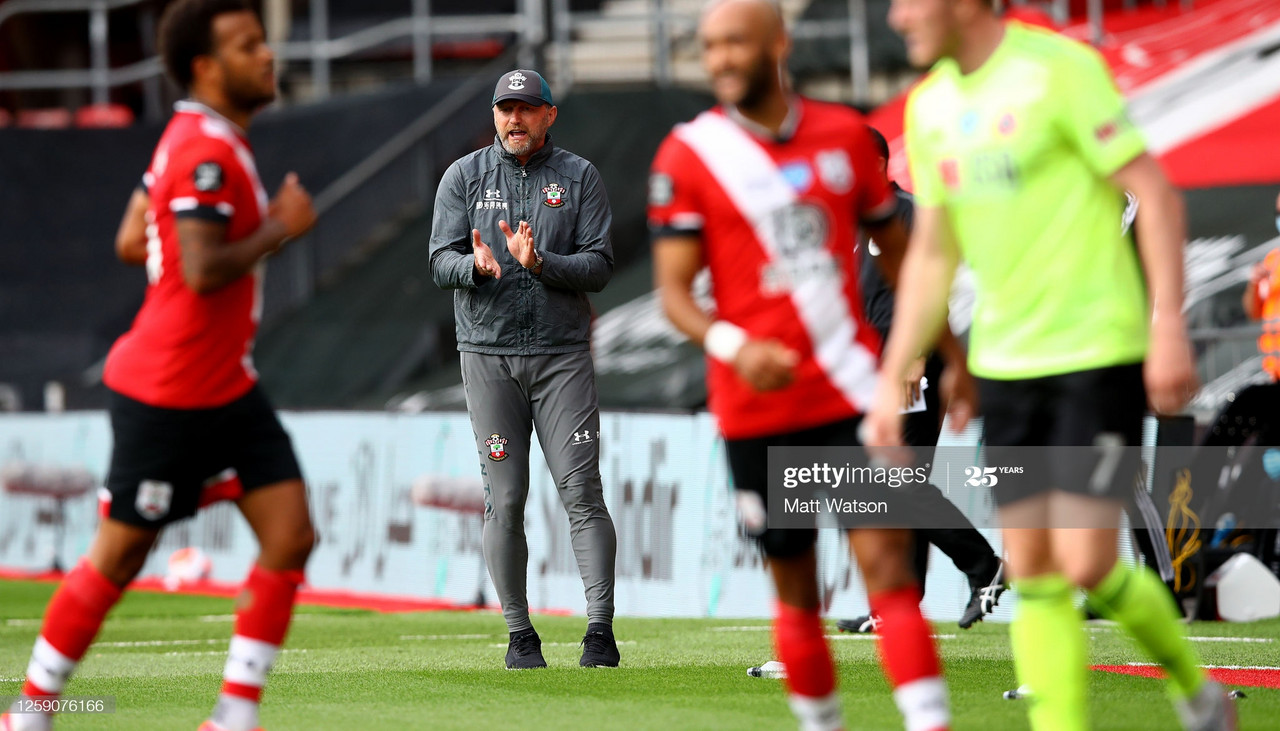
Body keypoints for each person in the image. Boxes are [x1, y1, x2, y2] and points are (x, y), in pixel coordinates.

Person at [867, 1, 1233, 729]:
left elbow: (1154, 195)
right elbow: (935, 250)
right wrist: (901, 363)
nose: (896, 14)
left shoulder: (1059, 72)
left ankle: (1198, 690)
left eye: (911, 0)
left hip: (1095, 352)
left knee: (1089, 564)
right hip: (1006, 365)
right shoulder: (932, 106)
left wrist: (1167, 329)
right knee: (1032, 570)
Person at [2, 2, 317, 731]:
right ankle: (29, 712)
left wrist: (171, 245)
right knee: (118, 556)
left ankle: (233, 717)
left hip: (224, 382)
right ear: (206, 67)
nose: (266, 55)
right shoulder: (205, 150)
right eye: (246, 45)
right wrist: (279, 227)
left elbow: (128, 238)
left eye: (262, 40)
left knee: (290, 531)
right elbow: (203, 270)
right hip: (172, 391)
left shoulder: (197, 140)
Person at [651, 2, 958, 729]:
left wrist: (942, 348)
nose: (721, 57)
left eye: (736, 43)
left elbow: (901, 253)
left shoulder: (844, 140)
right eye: (710, 45)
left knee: (886, 569)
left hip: (848, 391)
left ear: (779, 44)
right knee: (795, 586)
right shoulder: (687, 155)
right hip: (752, 403)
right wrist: (734, 346)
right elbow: (672, 294)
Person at [429, 68, 619, 669]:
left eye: (527, 108)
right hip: (487, 357)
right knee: (505, 500)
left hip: (562, 357)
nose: (515, 119)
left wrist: (541, 263)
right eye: (505, 109)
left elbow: (600, 266)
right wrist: (475, 268)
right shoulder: (463, 176)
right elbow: (439, 258)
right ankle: (519, 634)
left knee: (582, 490)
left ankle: (598, 632)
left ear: (549, 114)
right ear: (493, 115)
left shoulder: (580, 176)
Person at [837, 126, 1005, 635]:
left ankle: (984, 566)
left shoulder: (905, 215)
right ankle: (896, 606)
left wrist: (918, 357)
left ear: (880, 163)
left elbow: (930, 288)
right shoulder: (851, 223)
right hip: (871, 370)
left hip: (911, 365)